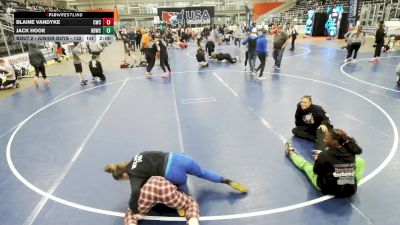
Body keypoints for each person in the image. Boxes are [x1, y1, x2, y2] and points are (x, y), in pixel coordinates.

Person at [105, 151, 248, 215]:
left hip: (172, 173)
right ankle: (228, 181)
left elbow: (136, 191)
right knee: (203, 172)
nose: (127, 180)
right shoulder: (138, 155)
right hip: (178, 157)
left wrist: (133, 209)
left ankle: (183, 206)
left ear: (124, 174)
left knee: (180, 190)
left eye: (124, 179)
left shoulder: (133, 174)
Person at [285, 129, 365, 197]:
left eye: (326, 139)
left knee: (306, 165)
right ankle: (351, 181)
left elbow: (316, 171)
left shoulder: (324, 155)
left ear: (334, 141)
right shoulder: (351, 151)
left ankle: (290, 152)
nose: (324, 140)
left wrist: (318, 160)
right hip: (349, 190)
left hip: (328, 189)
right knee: (359, 161)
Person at [124, 176, 200, 225]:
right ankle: (193, 221)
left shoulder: (143, 177)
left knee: (132, 212)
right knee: (191, 203)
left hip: (148, 191)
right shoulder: (168, 174)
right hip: (166, 191)